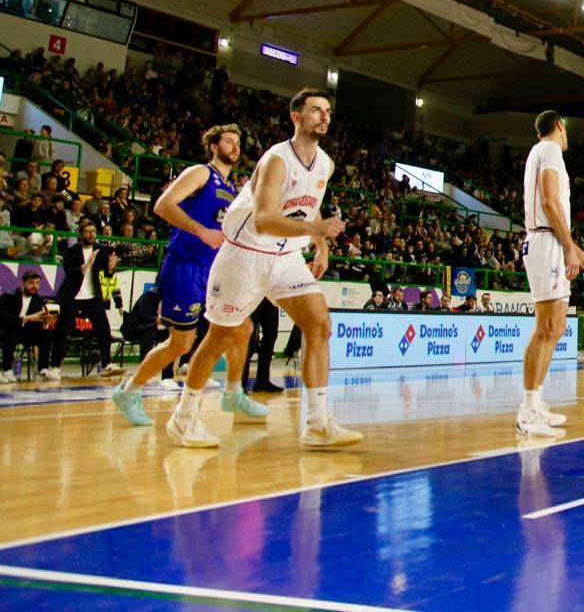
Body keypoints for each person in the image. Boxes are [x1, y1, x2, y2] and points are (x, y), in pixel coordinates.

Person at [165, 90, 359, 450]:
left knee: (319, 325)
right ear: (296, 117)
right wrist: (315, 231)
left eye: (328, 111)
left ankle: (317, 423)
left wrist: (321, 244)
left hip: (286, 257)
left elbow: (309, 207)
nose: (324, 116)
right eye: (316, 110)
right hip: (245, 255)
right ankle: (183, 417)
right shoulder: (276, 160)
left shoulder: (326, 164)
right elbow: (266, 219)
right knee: (220, 338)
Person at [112, 125, 260, 427]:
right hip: (185, 265)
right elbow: (162, 205)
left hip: (212, 269)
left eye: (238, 142)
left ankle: (233, 392)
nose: (235, 147)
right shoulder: (200, 174)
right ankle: (129, 392)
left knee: (242, 327)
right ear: (214, 147)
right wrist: (200, 231)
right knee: (180, 343)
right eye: (229, 141)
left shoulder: (231, 188)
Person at [516, 112, 584, 437]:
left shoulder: (542, 152)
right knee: (547, 326)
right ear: (560, 125)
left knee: (557, 326)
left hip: (550, 240)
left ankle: (535, 402)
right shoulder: (550, 149)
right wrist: (568, 248)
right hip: (545, 241)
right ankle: (528, 408)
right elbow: (550, 202)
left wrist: (578, 252)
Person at [43, 221, 122, 379]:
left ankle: (106, 365)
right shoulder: (71, 251)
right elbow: (70, 273)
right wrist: (86, 266)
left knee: (104, 329)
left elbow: (105, 274)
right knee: (63, 332)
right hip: (72, 296)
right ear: (81, 234)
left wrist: (111, 268)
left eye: (94, 231)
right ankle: (54, 367)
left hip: (92, 296)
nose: (92, 235)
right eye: (88, 232)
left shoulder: (101, 249)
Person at [0, 269, 49, 380]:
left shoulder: (38, 300)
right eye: (31, 283)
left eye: (37, 283)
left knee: (45, 335)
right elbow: (6, 319)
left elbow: (37, 320)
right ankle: (7, 370)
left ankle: (43, 369)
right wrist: (27, 318)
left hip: (27, 332)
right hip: (9, 330)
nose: (34, 286)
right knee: (12, 334)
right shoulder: (9, 297)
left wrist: (45, 322)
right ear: (23, 283)